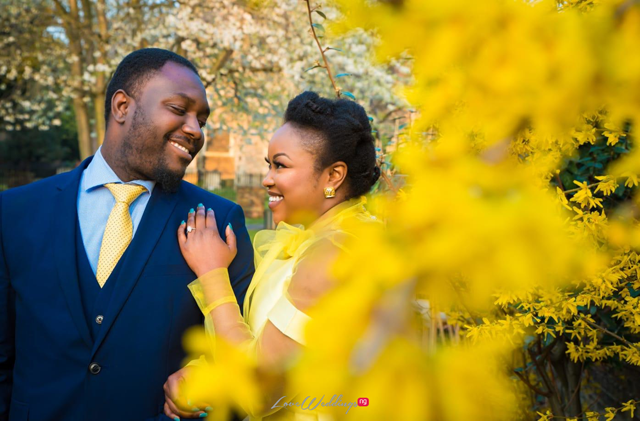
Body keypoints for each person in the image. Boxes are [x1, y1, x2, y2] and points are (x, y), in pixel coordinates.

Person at [0, 48, 254, 421]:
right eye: (179, 109)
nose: (196, 130)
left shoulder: (218, 220)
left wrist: (204, 393)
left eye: (201, 119)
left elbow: (240, 366)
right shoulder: (15, 213)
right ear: (122, 106)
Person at [163, 91, 381, 420]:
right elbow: (267, 343)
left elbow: (260, 390)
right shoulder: (305, 241)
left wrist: (212, 274)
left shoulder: (336, 254)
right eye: (268, 165)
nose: (267, 180)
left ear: (333, 176)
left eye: (280, 165)